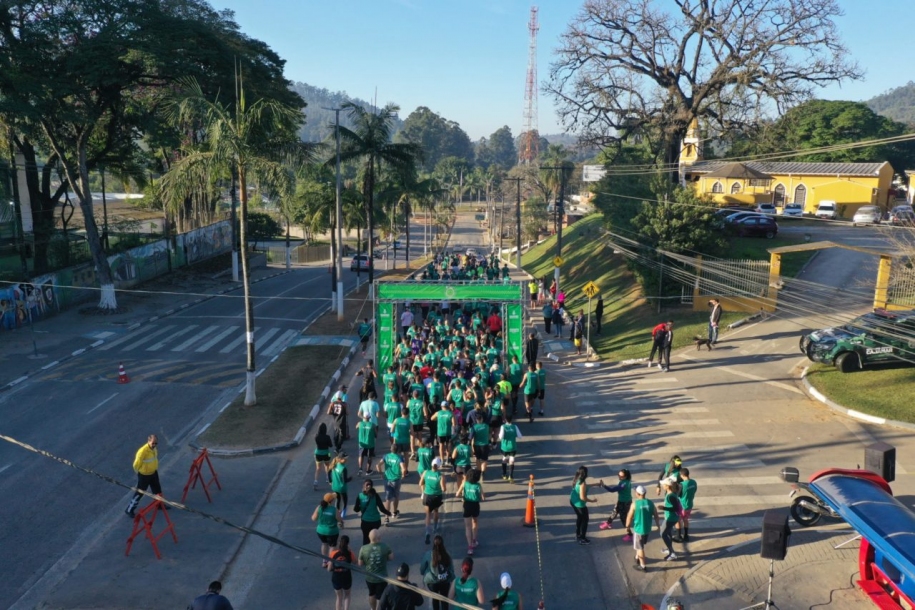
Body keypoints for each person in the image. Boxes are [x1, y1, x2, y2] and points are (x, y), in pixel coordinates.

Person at [125, 434, 162, 518]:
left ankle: (159, 505)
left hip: (153, 472)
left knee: (157, 490)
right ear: (148, 441)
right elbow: (136, 465)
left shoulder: (154, 449)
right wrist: (139, 474)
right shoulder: (142, 451)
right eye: (153, 443)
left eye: (156, 443)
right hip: (144, 475)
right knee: (140, 492)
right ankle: (129, 509)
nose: (154, 445)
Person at [626, 485, 661, 572]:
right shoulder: (650, 503)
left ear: (637, 494)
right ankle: (637, 557)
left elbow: (629, 517)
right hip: (647, 529)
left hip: (638, 530)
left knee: (640, 548)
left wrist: (627, 526)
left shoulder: (635, 504)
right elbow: (656, 516)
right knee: (640, 545)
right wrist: (658, 526)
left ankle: (643, 566)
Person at [358, 528, 394, 610]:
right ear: (379, 538)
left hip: (369, 577)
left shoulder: (363, 548)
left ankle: (372, 608)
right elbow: (391, 557)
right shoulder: (385, 546)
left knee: (371, 594)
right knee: (381, 596)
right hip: (382, 577)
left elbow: (360, 563)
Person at [421, 535, 456, 610]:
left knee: (435, 599)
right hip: (445, 581)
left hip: (433, 583)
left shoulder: (428, 554)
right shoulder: (447, 555)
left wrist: (423, 575)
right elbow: (451, 569)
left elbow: (422, 568)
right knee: (444, 600)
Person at [456, 467, 485, 556]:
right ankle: (474, 540)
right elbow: (483, 497)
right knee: (475, 522)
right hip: (475, 505)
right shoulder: (478, 485)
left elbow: (457, 494)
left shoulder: (464, 483)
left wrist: (464, 495)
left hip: (467, 505)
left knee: (467, 526)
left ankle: (470, 547)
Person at [354, 478, 392, 545]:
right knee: (374, 538)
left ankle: (366, 552)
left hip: (365, 521)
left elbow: (356, 509)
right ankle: (375, 551)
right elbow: (382, 509)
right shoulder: (375, 495)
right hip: (376, 521)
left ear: (363, 485)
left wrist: (362, 507)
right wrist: (389, 513)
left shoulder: (360, 496)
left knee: (366, 538)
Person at [599, 468, 633, 541]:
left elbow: (612, 490)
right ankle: (608, 523)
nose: (619, 477)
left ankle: (630, 534)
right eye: (618, 475)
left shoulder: (624, 484)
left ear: (626, 476)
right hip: (622, 501)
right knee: (615, 512)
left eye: (621, 476)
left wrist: (604, 485)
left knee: (623, 519)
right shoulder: (626, 481)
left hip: (625, 503)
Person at [419, 457, 447, 545]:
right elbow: (444, 488)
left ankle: (427, 532)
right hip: (437, 496)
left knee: (428, 514)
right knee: (436, 511)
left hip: (427, 495)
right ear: (439, 466)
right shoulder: (440, 475)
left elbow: (420, 483)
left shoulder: (425, 472)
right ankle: (435, 528)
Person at [313, 492, 344, 569]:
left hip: (320, 531)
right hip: (332, 531)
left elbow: (313, 518)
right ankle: (331, 562)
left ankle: (324, 561)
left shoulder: (319, 507)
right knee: (332, 546)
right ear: (332, 501)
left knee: (324, 544)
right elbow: (339, 519)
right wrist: (341, 522)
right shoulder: (334, 509)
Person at [378, 443, 406, 523]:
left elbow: (378, 465)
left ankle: (386, 517)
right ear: (397, 450)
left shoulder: (386, 456)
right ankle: (394, 512)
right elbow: (403, 468)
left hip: (387, 480)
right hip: (396, 480)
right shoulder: (399, 457)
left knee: (388, 499)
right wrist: (403, 476)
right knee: (396, 496)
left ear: (391, 449)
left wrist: (381, 474)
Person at [570, 465, 598, 544]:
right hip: (579, 504)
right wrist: (592, 501)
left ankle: (578, 534)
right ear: (585, 474)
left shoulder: (577, 479)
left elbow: (585, 487)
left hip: (573, 501)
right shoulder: (582, 483)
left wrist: (596, 484)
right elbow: (583, 497)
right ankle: (582, 538)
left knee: (579, 517)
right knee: (585, 520)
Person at [328, 534, 356, 610]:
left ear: (339, 543)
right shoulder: (349, 553)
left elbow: (329, 568)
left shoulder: (333, 553)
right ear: (348, 543)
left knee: (338, 597)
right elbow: (355, 562)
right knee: (347, 595)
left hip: (336, 577)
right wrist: (350, 550)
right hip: (346, 577)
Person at [660, 477, 682, 561]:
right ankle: (669, 549)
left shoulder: (670, 496)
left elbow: (675, 508)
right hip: (672, 517)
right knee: (668, 532)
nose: (662, 485)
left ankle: (672, 553)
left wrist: (664, 508)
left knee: (663, 534)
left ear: (667, 486)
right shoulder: (672, 493)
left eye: (663, 484)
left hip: (671, 518)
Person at [674, 468, 698, 543]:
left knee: (677, 520)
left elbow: (677, 494)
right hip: (690, 505)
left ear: (682, 475)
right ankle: (686, 535)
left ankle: (678, 536)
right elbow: (695, 490)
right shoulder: (694, 482)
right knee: (685, 519)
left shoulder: (682, 485)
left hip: (682, 506)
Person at [499, 414, 522, 483]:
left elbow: (501, 437)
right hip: (513, 446)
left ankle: (504, 475)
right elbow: (520, 436)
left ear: (505, 420)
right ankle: (511, 476)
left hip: (505, 447)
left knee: (504, 459)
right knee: (512, 460)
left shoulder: (503, 427)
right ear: (511, 420)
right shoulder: (515, 426)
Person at [330, 451, 353, 519]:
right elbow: (345, 480)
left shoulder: (334, 465)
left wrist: (330, 481)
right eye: (344, 459)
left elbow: (330, 474)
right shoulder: (343, 468)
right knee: (344, 500)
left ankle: (337, 512)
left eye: (346, 458)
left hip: (335, 486)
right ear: (340, 459)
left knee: (338, 499)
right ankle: (343, 512)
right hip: (342, 487)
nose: (346, 460)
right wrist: (350, 479)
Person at [328, 387, 349, 452]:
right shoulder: (344, 404)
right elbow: (347, 413)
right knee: (342, 435)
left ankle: (336, 445)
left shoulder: (332, 403)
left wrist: (334, 412)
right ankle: (338, 447)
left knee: (336, 433)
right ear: (341, 396)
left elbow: (328, 412)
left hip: (335, 421)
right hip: (342, 421)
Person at [315, 423, 335, 490]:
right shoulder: (327, 437)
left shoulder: (316, 437)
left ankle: (316, 481)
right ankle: (328, 478)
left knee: (318, 468)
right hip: (327, 453)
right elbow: (331, 445)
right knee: (327, 466)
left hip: (318, 453)